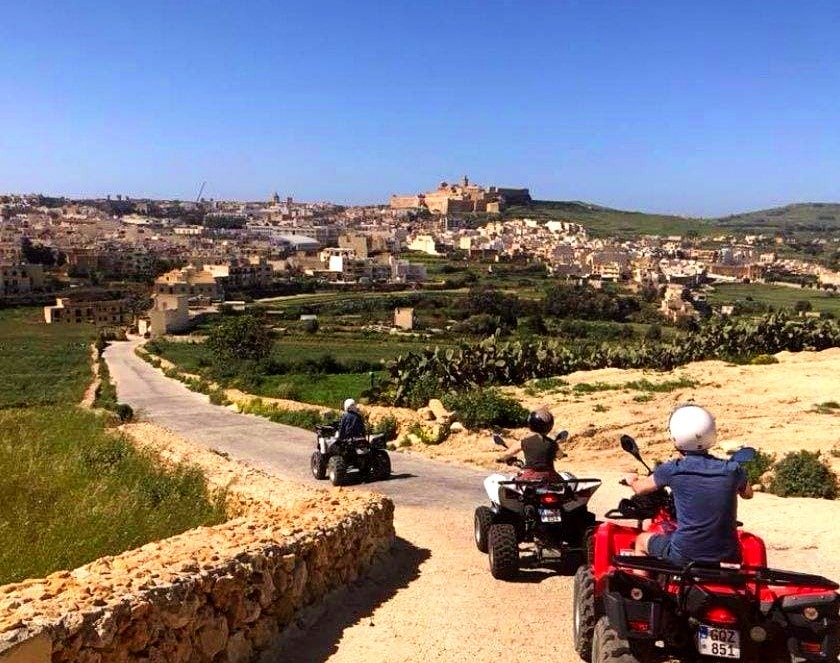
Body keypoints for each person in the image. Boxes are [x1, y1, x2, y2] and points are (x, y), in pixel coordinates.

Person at [625, 404, 753, 564]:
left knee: (641, 541)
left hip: (685, 554)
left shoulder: (672, 469)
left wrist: (632, 479)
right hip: (728, 554)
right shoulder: (733, 469)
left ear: (675, 436)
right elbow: (748, 494)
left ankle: (642, 587)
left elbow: (640, 489)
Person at [495, 407, 562, 481]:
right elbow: (560, 455)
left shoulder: (524, 442)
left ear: (531, 424)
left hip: (529, 476)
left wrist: (500, 458)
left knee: (511, 486)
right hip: (549, 476)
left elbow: (506, 455)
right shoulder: (553, 444)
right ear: (550, 425)